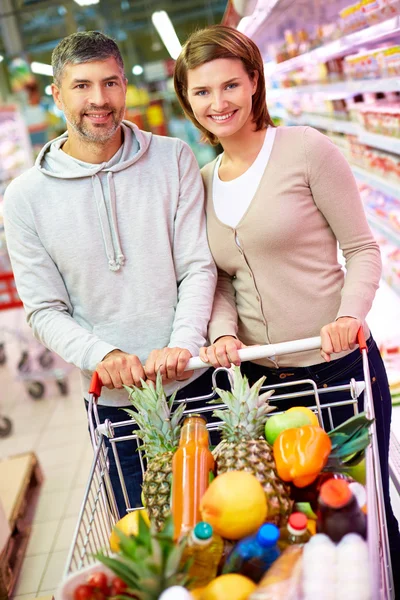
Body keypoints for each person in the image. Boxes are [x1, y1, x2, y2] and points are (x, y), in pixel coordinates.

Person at [174, 24, 400, 584]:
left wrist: (349, 317)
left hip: (338, 369)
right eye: (201, 92)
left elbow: (362, 249)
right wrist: (223, 332)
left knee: (358, 516)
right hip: (262, 385)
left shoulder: (305, 149)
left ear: (254, 81)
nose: (217, 103)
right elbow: (222, 280)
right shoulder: (201, 182)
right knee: (292, 527)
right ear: (187, 100)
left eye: (229, 85)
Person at [3, 30, 217, 516]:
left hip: (197, 384)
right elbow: (43, 309)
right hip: (115, 406)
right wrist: (104, 354)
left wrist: (183, 341)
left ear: (125, 86)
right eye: (81, 86)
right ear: (56, 94)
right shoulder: (24, 198)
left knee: (225, 526)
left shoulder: (172, 159)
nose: (99, 100)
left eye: (110, 83)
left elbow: (197, 265)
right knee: (141, 531)